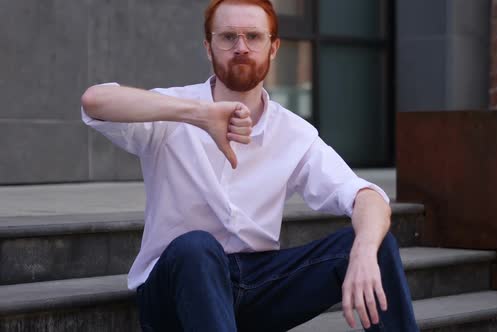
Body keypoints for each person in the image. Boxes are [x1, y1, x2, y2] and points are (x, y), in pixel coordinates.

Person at [80, 0, 418, 331]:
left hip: (257, 287)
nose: (241, 47)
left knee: (377, 241)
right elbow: (95, 101)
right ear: (208, 48)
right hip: (176, 289)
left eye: (254, 37)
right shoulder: (171, 110)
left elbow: (364, 196)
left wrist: (364, 249)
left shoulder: (294, 134)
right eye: (228, 37)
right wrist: (197, 114)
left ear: (273, 48)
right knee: (196, 247)